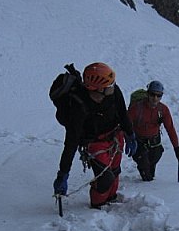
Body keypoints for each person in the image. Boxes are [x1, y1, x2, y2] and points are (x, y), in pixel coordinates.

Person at [53, 62, 137, 208]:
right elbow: (71, 143)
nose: (112, 89)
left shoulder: (113, 91)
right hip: (95, 143)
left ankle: (111, 198)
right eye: (108, 87)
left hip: (116, 136)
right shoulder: (79, 107)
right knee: (105, 178)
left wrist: (130, 134)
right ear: (95, 89)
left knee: (115, 171)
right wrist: (63, 174)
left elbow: (123, 114)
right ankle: (97, 206)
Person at [128, 80, 179, 181]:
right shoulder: (136, 108)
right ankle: (147, 185)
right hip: (139, 143)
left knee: (152, 165)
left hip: (155, 143)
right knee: (146, 172)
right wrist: (127, 141)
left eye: (159, 96)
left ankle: (148, 175)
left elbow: (170, 128)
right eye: (152, 95)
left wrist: (177, 149)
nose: (155, 98)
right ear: (147, 94)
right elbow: (125, 125)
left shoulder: (163, 110)